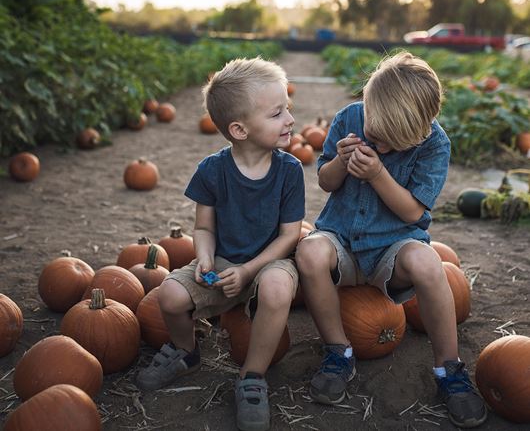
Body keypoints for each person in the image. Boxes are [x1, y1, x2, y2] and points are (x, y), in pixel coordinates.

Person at [295, 51, 487, 428]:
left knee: (431, 263)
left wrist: (379, 174)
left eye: (388, 143)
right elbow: (325, 181)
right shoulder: (349, 119)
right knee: (309, 249)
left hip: (392, 248)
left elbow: (414, 213)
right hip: (342, 243)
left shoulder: (435, 145)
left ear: (419, 131)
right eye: (374, 134)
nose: (377, 144)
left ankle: (449, 370)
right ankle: (339, 351)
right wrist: (339, 162)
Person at [136, 57, 305, 431]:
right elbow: (204, 228)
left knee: (277, 287)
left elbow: (290, 235)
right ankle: (186, 351)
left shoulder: (289, 170)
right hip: (225, 262)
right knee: (170, 296)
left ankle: (252, 376)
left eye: (287, 109)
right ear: (240, 129)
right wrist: (206, 259)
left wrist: (249, 271)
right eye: (278, 113)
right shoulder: (212, 171)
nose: (290, 119)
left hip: (269, 264)